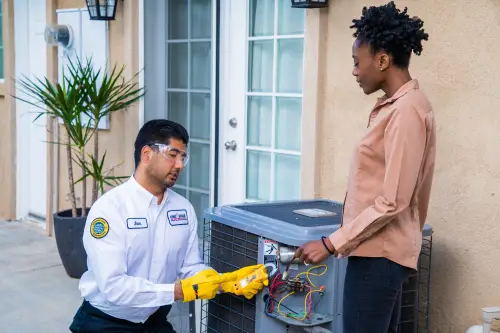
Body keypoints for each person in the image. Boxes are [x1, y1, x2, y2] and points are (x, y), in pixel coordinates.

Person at [295, 2, 435, 332]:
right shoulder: (398, 107)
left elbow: (393, 200)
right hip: (377, 252)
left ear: (383, 60)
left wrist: (331, 243)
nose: (355, 72)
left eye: (358, 63)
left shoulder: (406, 112)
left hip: (380, 256)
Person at [69, 119, 268, 333]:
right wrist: (179, 291)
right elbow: (114, 288)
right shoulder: (109, 210)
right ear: (146, 154)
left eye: (183, 157)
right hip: (105, 322)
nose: (180, 165)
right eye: (172, 155)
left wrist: (225, 282)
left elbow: (190, 267)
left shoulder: (183, 209)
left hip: (153, 321)